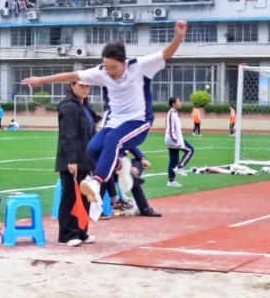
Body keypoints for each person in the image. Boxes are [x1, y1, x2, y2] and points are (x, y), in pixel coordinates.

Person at [23, 20, 187, 205]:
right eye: (107, 68)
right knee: (92, 150)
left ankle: (97, 182)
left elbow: (166, 53)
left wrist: (179, 37)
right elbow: (73, 75)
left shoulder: (140, 66)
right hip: (114, 122)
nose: (110, 72)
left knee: (112, 139)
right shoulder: (101, 72)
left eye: (114, 68)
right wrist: (41, 80)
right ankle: (121, 165)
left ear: (123, 63)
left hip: (139, 121)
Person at [54, 80, 97, 246]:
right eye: (81, 85)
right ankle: (66, 235)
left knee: (85, 196)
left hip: (85, 159)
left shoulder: (84, 107)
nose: (85, 89)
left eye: (87, 85)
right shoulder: (69, 107)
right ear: (72, 86)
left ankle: (81, 231)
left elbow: (91, 132)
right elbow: (67, 135)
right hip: (72, 160)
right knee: (70, 196)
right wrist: (71, 161)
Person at [124, 145, 161, 217]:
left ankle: (133, 175)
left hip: (121, 165)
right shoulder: (111, 139)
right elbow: (110, 156)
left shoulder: (122, 139)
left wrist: (142, 158)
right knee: (132, 177)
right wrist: (127, 167)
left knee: (138, 162)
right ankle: (144, 208)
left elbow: (131, 146)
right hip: (108, 168)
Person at [165, 96, 194, 187]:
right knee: (190, 150)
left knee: (173, 160)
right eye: (178, 101)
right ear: (173, 104)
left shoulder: (175, 113)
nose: (180, 103)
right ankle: (180, 167)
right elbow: (170, 128)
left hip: (175, 139)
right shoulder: (171, 113)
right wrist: (175, 139)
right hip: (174, 140)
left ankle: (171, 182)